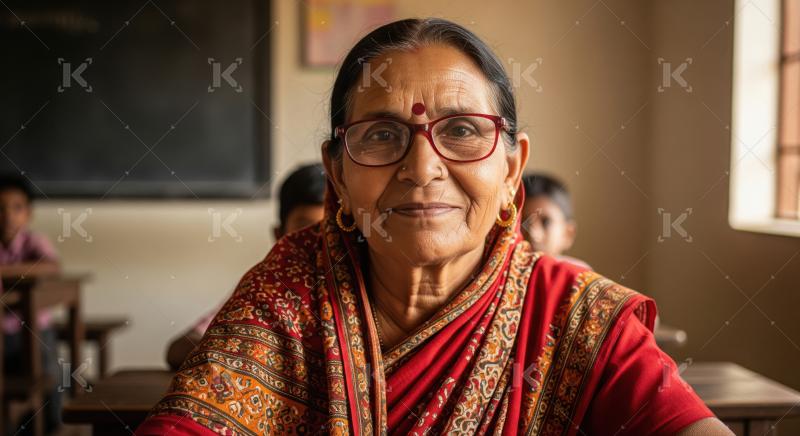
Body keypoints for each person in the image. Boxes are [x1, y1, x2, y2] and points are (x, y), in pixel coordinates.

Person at [137, 19, 731, 435]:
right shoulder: (288, 292)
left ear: (512, 169)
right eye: (382, 134)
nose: (422, 169)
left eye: (462, 130)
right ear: (337, 174)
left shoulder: (576, 316)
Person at [164, 163, 326, 370]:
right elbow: (178, 348)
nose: (317, 243)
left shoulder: (358, 289)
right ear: (279, 236)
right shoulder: (260, 290)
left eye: (328, 230)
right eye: (303, 230)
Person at [0, 175, 62, 434]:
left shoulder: (33, 241)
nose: (8, 216)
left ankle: (53, 424)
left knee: (49, 375)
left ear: (28, 213)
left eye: (17, 208)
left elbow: (52, 267)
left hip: (35, 328)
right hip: (2, 331)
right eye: (0, 208)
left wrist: (5, 272)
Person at [520, 172, 590, 269]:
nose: (533, 234)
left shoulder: (577, 274)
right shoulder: (503, 271)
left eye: (546, 222)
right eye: (523, 222)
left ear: (568, 233)